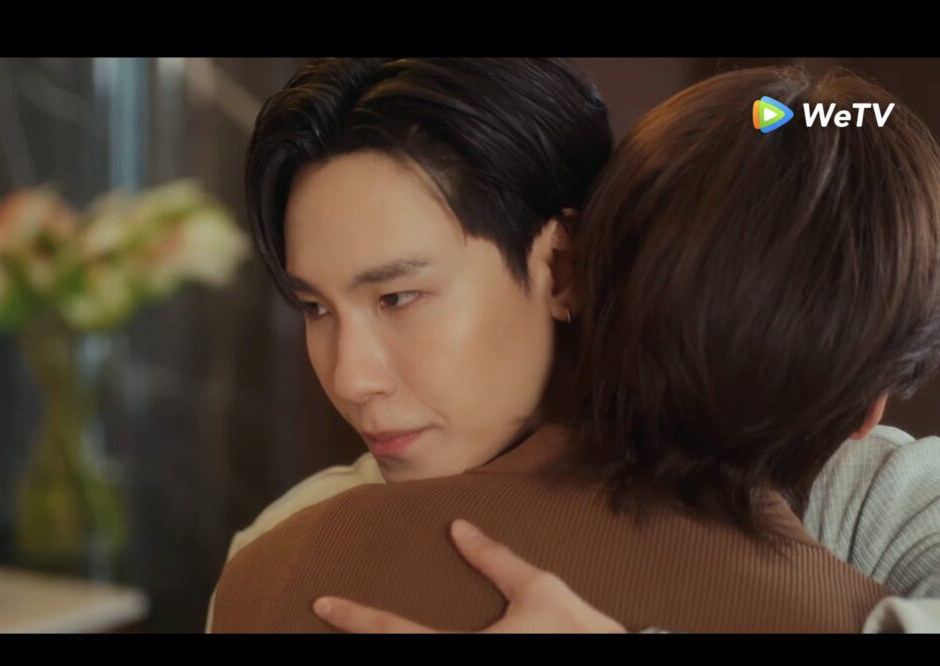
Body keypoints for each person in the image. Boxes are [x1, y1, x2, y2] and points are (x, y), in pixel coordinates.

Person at [206, 58, 940, 632]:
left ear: (562, 265)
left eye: (398, 298)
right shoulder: (290, 544)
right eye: (315, 307)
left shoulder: (871, 494)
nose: (350, 378)